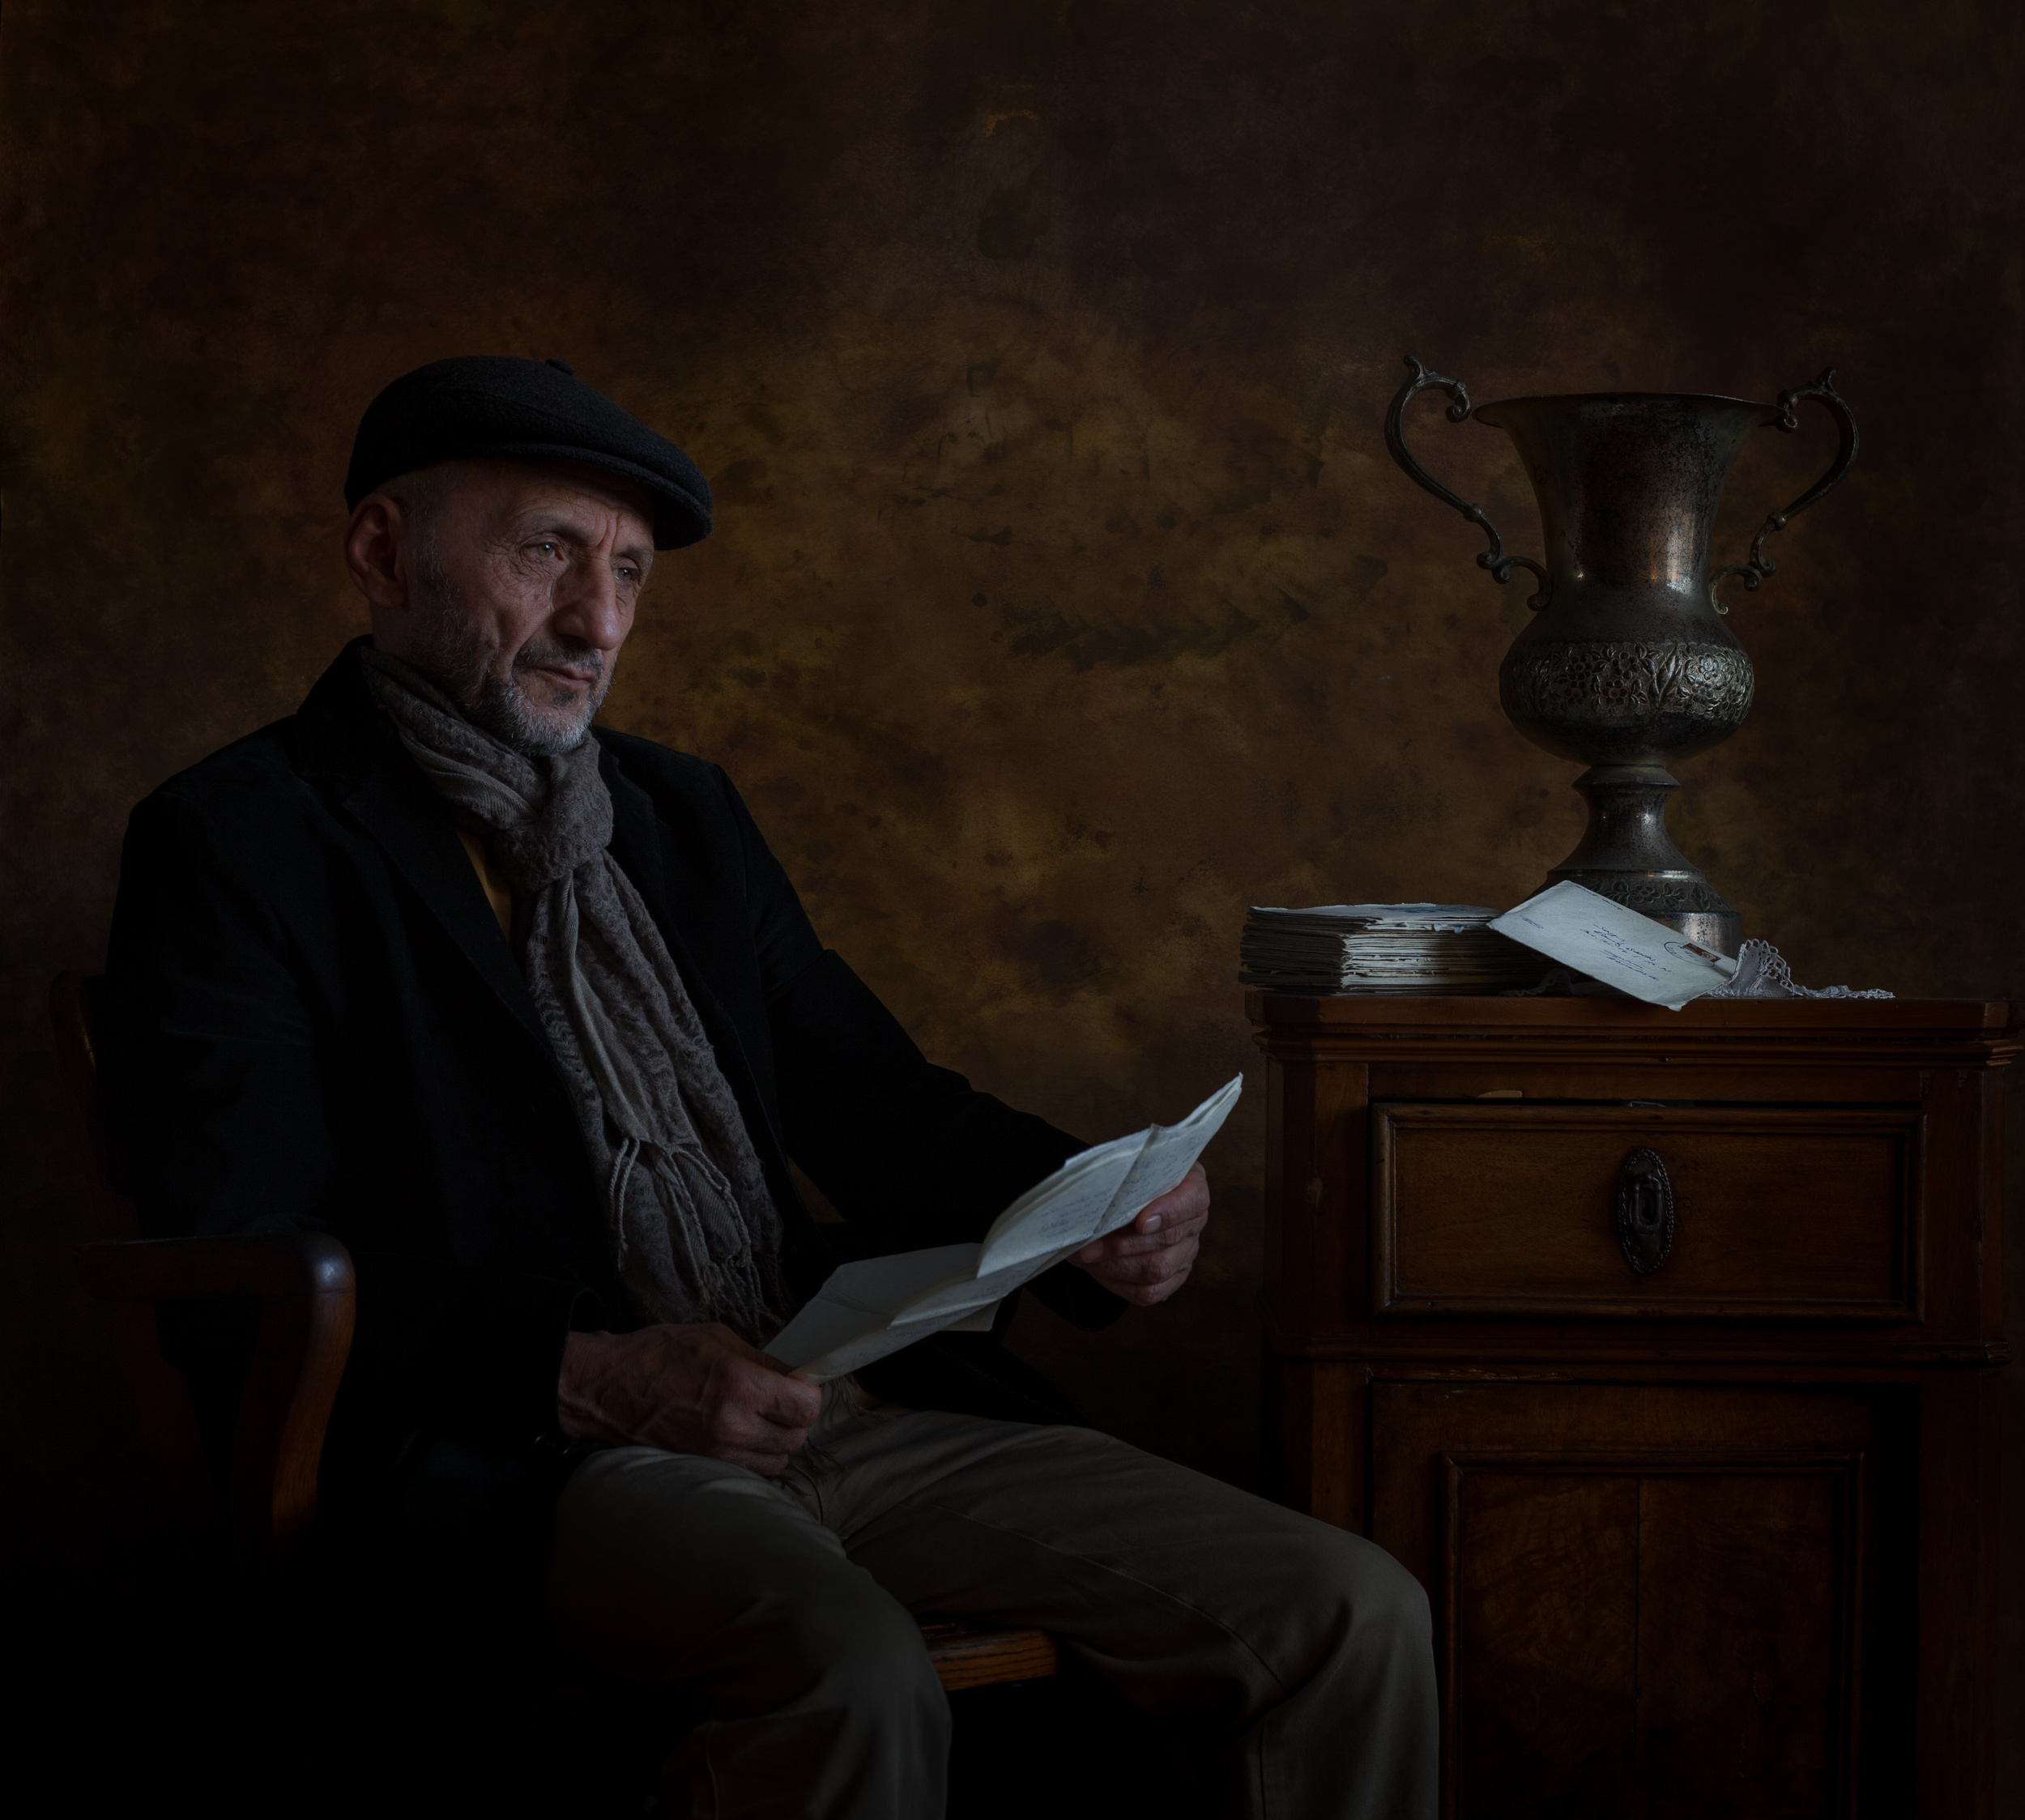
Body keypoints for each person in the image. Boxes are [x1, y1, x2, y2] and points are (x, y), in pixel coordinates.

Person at [101, 356, 1437, 1818]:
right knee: (850, 1670)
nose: (599, 622)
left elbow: (875, 1101)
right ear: (383, 553)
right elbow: (244, 1254)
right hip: (531, 1455)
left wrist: (1092, 1204)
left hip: (828, 1397)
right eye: (546, 551)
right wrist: (592, 1374)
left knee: (1350, 1611)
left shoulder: (680, 815)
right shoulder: (237, 840)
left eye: (628, 572)